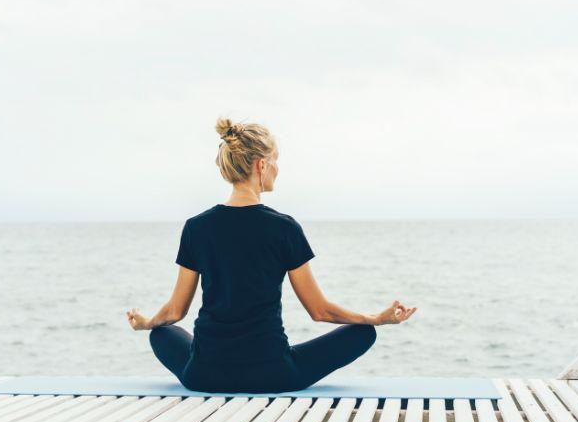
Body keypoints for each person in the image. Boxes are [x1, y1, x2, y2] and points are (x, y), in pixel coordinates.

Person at [125, 117, 417, 393]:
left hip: (204, 374)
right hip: (273, 375)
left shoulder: (196, 228)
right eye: (276, 161)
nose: (278, 168)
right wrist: (375, 319)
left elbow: (175, 312)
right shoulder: (284, 228)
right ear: (261, 165)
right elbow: (320, 311)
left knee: (160, 334)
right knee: (363, 333)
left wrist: (146, 322)